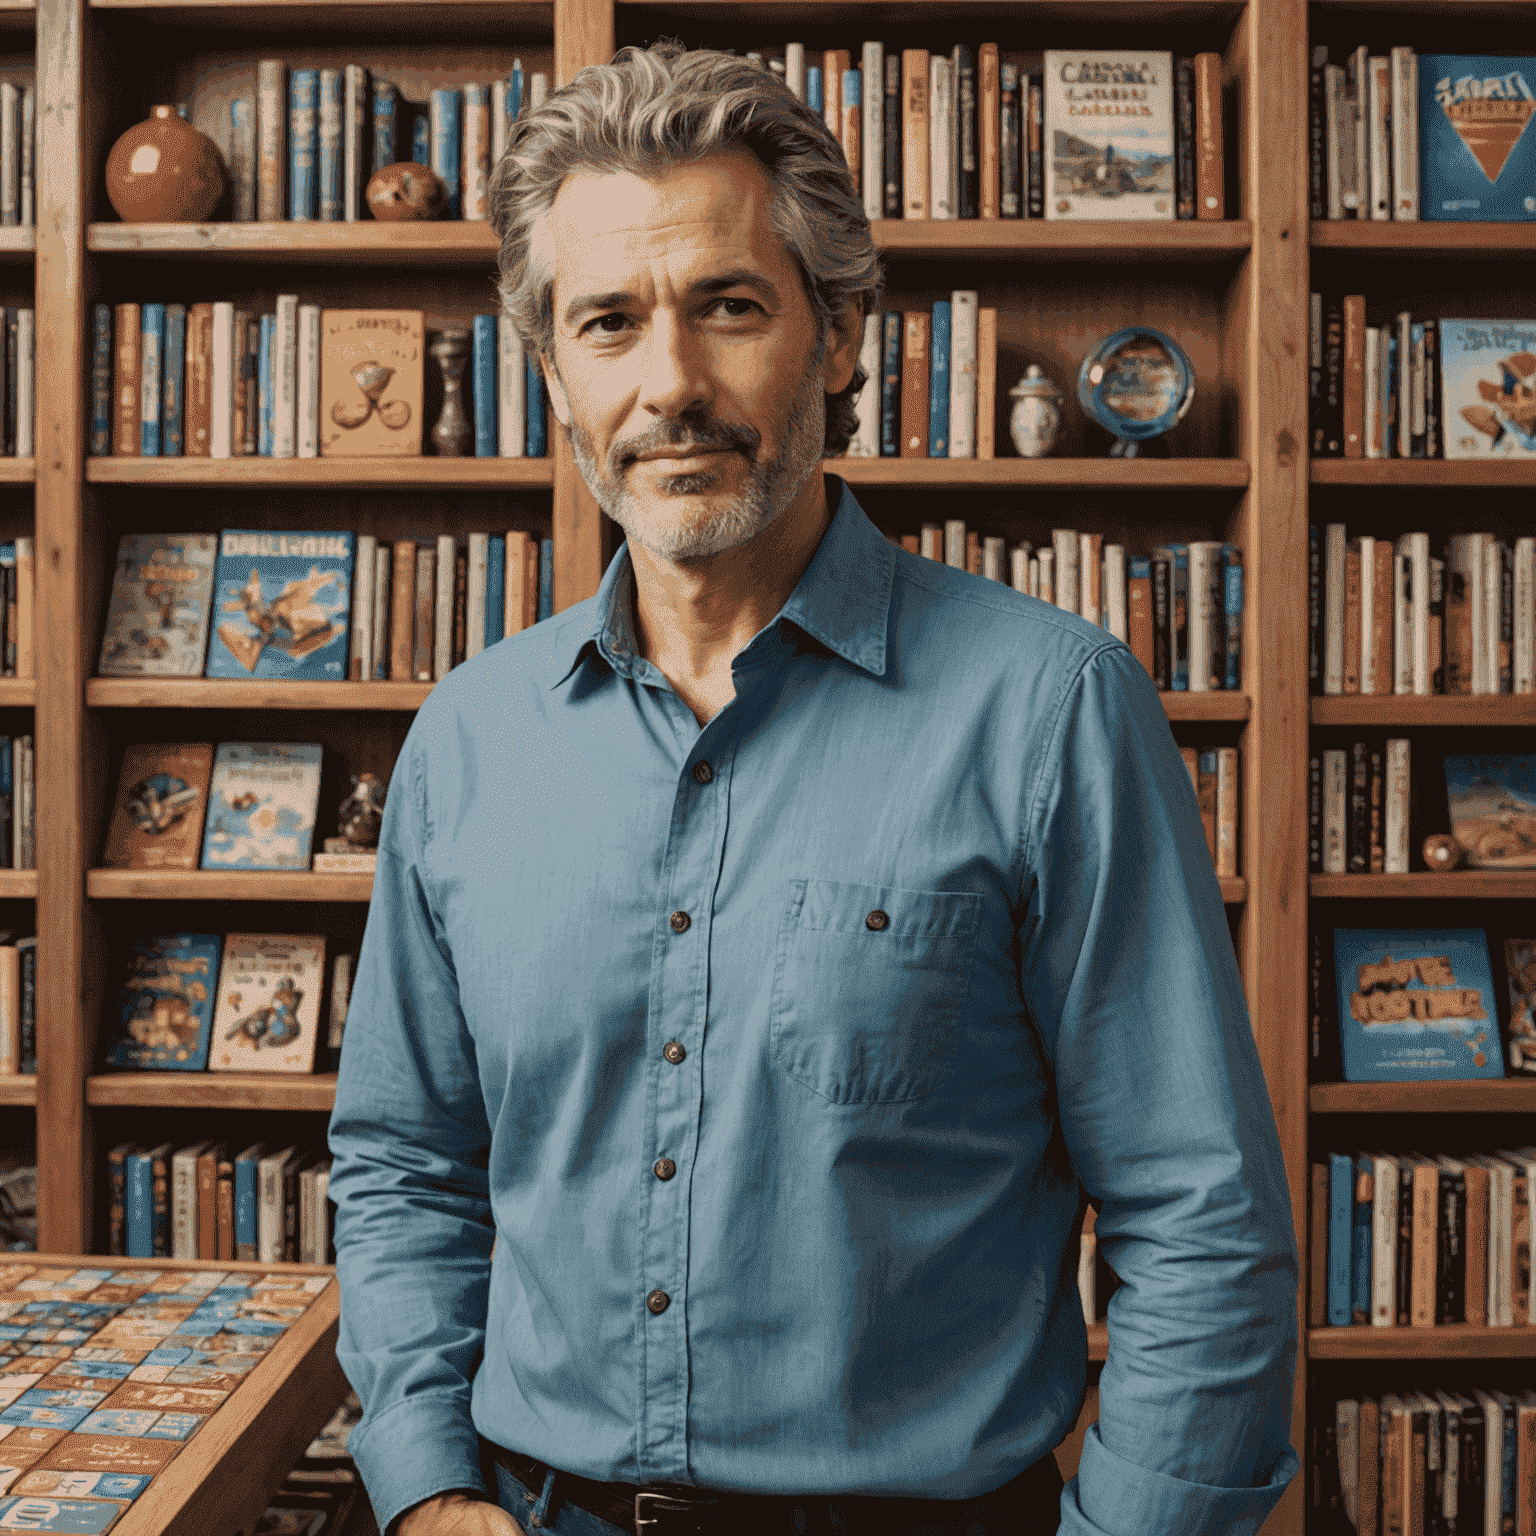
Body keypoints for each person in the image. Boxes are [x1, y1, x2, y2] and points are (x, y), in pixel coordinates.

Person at [328, 40, 1299, 1536]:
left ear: (840, 337)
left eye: (728, 307)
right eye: (608, 323)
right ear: (554, 372)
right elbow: (404, 1163)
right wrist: (427, 1487)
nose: (671, 385)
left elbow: (1202, 1214)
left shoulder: (1050, 709)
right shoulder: (467, 740)